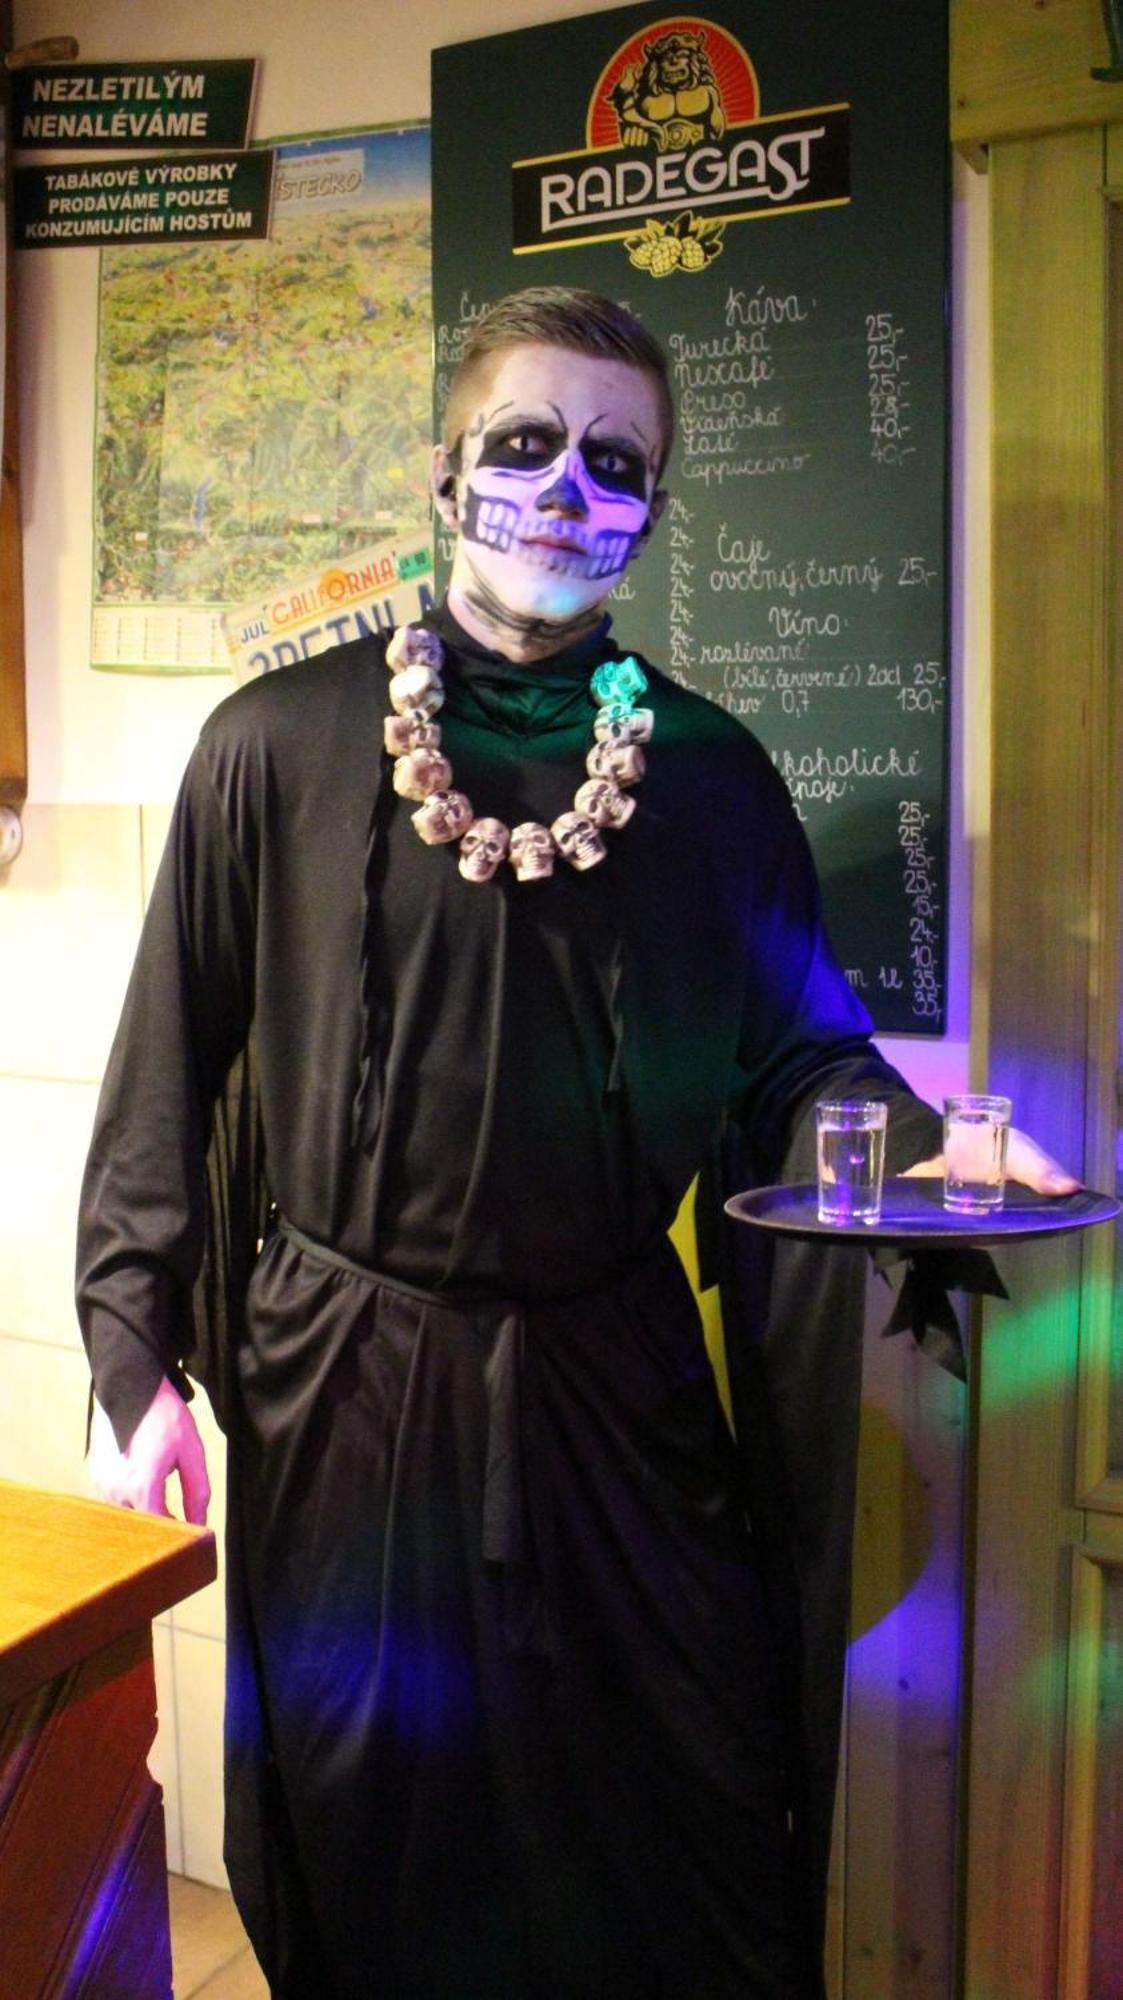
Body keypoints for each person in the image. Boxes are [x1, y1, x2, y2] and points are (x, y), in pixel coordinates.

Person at [77, 286, 1075, 1999]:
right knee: (374, 1824)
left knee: (678, 1802)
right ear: (445, 469)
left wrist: (926, 1150)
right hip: (348, 1395)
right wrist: (130, 1356)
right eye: (526, 443)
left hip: (617, 1387)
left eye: (615, 462)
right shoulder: (271, 747)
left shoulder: (710, 779)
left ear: (655, 508)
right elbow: (165, 1067)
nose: (565, 488)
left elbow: (800, 1057)